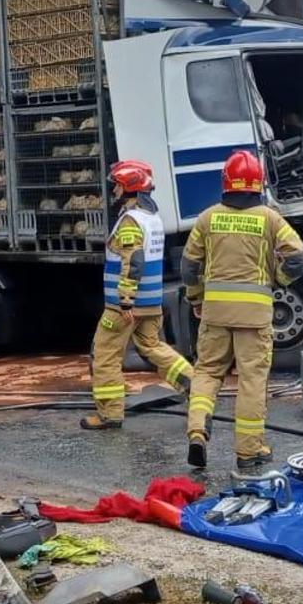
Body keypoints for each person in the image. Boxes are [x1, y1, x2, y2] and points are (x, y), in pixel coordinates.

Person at [182, 151, 303, 469]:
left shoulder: (208, 218)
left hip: (215, 313)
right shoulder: (270, 218)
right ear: (258, 183)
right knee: (251, 379)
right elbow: (296, 257)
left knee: (208, 372)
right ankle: (249, 451)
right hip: (254, 315)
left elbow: (189, 266)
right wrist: (280, 279)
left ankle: (197, 430)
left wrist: (196, 299)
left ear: (225, 183)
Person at [81, 160, 193, 431]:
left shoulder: (131, 220)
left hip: (124, 308)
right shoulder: (152, 218)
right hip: (150, 304)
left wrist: (125, 300)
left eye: (117, 186)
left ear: (129, 188)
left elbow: (135, 260)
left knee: (105, 353)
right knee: (152, 347)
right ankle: (195, 386)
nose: (114, 191)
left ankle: (109, 414)